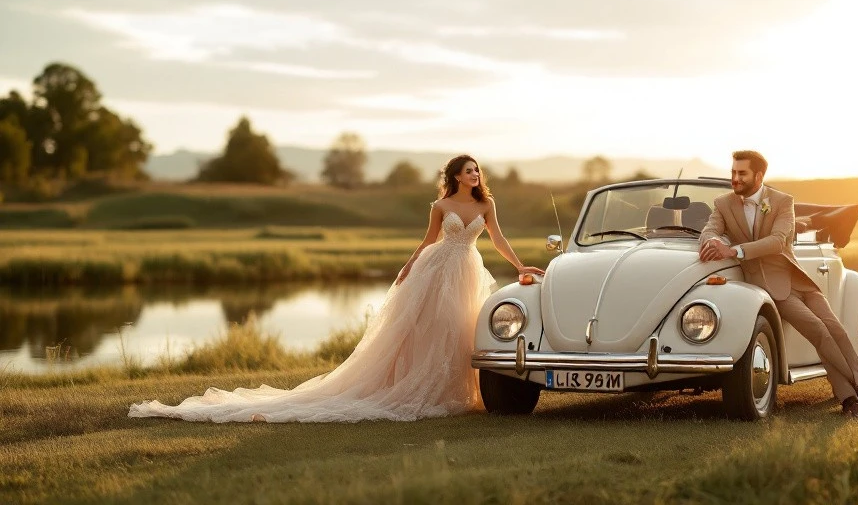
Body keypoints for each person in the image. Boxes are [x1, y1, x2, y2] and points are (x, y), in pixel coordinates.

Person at [128, 154, 545, 423]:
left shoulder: (486, 205)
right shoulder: (440, 207)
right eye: (469, 170)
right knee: (427, 328)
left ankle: (461, 390)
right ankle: (419, 388)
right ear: (455, 176)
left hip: (468, 269)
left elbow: (499, 240)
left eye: (477, 170)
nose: (475, 174)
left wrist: (519, 263)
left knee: (459, 328)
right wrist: (407, 268)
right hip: (437, 269)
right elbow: (428, 242)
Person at [698, 150, 858, 418]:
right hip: (771, 286)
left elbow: (778, 241)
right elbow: (709, 230)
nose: (735, 178)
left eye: (741, 173)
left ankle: (850, 401)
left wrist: (735, 251)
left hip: (798, 278)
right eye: (733, 172)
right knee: (819, 331)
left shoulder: (782, 201)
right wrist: (713, 241)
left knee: (836, 330)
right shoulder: (724, 204)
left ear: (758, 176)